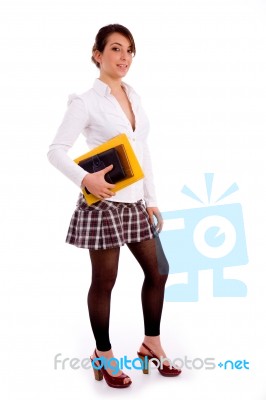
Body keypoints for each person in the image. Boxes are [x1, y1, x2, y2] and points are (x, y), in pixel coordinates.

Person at [47, 23, 181, 389]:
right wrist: (85, 179)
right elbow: (56, 151)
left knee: (159, 271)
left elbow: (142, 149)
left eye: (129, 51)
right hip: (103, 206)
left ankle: (151, 344)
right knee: (105, 281)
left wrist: (152, 201)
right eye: (116, 49)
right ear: (98, 54)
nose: (125, 58)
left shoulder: (134, 96)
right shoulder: (86, 101)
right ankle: (103, 355)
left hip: (136, 203)